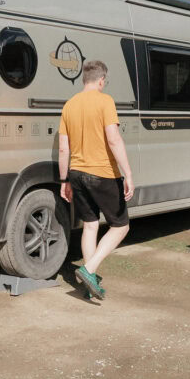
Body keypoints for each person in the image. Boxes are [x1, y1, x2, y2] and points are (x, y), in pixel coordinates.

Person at [58, 60, 135, 300]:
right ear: (101, 80)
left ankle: (88, 286)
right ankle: (89, 270)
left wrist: (64, 180)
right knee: (121, 226)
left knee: (90, 225)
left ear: (85, 79)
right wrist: (128, 173)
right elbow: (113, 140)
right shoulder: (105, 101)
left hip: (77, 174)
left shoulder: (69, 105)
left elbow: (63, 148)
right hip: (102, 173)